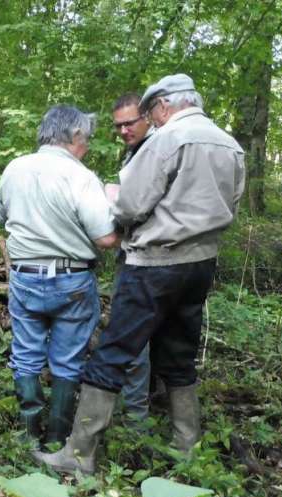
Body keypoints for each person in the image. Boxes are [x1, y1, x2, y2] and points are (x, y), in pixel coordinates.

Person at [35, 74, 245, 474]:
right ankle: (187, 448)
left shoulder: (167, 140)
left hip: (155, 264)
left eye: (151, 110)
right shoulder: (229, 144)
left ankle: (78, 455)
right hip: (201, 263)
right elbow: (231, 204)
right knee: (179, 354)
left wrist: (114, 200)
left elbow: (131, 205)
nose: (151, 118)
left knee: (113, 352)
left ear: (164, 105)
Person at [0, 105, 119, 447]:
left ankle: (29, 436)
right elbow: (106, 239)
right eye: (87, 138)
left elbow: (0, 217)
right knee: (67, 361)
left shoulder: (14, 168)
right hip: (71, 280)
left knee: (25, 357)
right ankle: (56, 438)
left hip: (25, 276)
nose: (87, 146)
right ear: (74, 135)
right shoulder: (81, 176)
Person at [110, 92, 153, 422]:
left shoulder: (154, 151)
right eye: (118, 126)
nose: (124, 131)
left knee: (132, 334)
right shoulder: (135, 152)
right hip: (137, 254)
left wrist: (112, 200)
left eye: (130, 123)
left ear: (148, 117)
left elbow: (134, 208)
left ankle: (135, 419)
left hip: (145, 258)